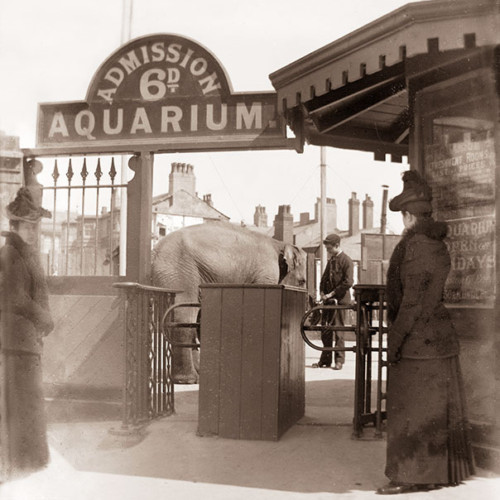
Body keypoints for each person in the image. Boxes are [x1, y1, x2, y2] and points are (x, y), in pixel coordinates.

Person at [376, 171, 475, 495]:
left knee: (413, 410)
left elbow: (413, 305)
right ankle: (434, 474)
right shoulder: (433, 245)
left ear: (408, 216)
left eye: (402, 216)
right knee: (433, 411)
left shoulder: (417, 247)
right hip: (436, 343)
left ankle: (410, 476)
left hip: (421, 343)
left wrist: (393, 342)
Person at [0, 187, 54, 480]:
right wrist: (45, 318)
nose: (32, 231)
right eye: (27, 226)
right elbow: (17, 298)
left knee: (26, 400)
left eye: (35, 226)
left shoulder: (25, 253)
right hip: (16, 339)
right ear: (14, 226)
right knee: (23, 400)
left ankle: (28, 459)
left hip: (26, 338)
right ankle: (21, 461)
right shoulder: (10, 254)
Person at [313, 233, 353, 370]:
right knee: (326, 330)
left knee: (338, 331)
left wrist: (332, 294)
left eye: (329, 249)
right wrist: (323, 292)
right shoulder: (331, 261)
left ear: (337, 246)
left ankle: (339, 361)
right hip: (329, 302)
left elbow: (348, 282)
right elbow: (324, 279)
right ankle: (325, 360)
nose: (328, 251)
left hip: (340, 302)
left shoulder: (346, 261)